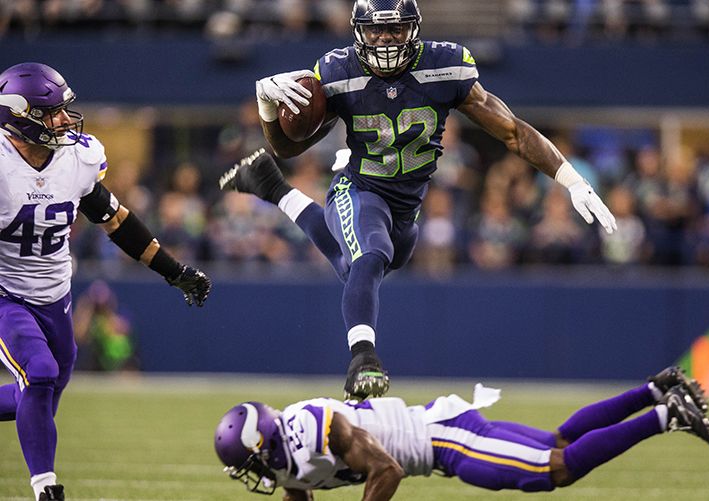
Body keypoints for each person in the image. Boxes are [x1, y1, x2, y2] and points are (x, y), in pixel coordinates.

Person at [219, 0, 617, 401]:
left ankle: (272, 188)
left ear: (414, 29)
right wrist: (266, 106)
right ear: (359, 31)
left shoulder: (445, 66)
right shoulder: (338, 72)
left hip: (407, 207)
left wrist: (570, 177)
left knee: (353, 267)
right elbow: (288, 149)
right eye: (376, 30)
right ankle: (363, 359)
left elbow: (511, 131)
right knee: (368, 255)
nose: (386, 40)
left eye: (396, 29)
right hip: (359, 187)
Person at [0, 62, 212, 501]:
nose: (63, 120)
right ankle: (45, 488)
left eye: (64, 109)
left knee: (44, 389)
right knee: (37, 374)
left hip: (55, 294)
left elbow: (115, 220)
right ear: (18, 118)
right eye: (50, 112)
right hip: (5, 294)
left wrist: (174, 271)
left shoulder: (78, 157)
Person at [214, 367, 709, 500]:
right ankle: (655, 390)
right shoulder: (287, 452)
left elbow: (387, 470)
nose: (251, 473)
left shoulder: (310, 431)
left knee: (554, 471)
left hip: (445, 441)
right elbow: (298, 490)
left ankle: (666, 415)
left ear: (266, 444)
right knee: (558, 444)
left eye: (248, 462)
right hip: (442, 423)